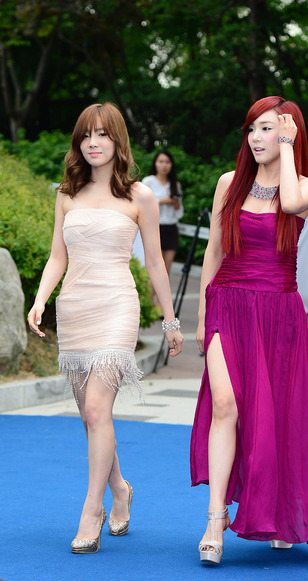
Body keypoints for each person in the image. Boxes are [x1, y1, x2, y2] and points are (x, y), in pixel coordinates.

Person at [190, 95, 308, 565]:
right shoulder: (229, 183)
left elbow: (291, 203)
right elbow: (213, 252)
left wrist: (289, 149)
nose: (257, 138)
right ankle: (215, 517)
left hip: (278, 313)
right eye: (252, 129)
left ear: (289, 134)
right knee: (225, 404)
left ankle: (279, 512)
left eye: (268, 129)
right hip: (227, 304)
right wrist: (202, 316)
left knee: (276, 415)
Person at [27, 102, 183, 554]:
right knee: (91, 416)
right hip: (75, 308)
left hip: (117, 306)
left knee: (97, 409)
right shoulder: (66, 194)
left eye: (102, 134)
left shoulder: (140, 196)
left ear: (118, 141)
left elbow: (155, 262)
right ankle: (120, 488)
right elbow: (57, 255)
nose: (92, 143)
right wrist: (40, 299)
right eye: (85, 135)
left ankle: (91, 509)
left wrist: (170, 320)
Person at [142, 150, 184, 276]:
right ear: (155, 163)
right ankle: (150, 290)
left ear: (171, 165)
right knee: (155, 269)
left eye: (167, 162)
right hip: (154, 228)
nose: (164, 165)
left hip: (171, 228)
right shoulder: (148, 181)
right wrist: (160, 201)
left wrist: (176, 205)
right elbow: (142, 205)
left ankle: (163, 290)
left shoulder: (175, 184)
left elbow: (180, 213)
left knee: (166, 269)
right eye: (161, 161)